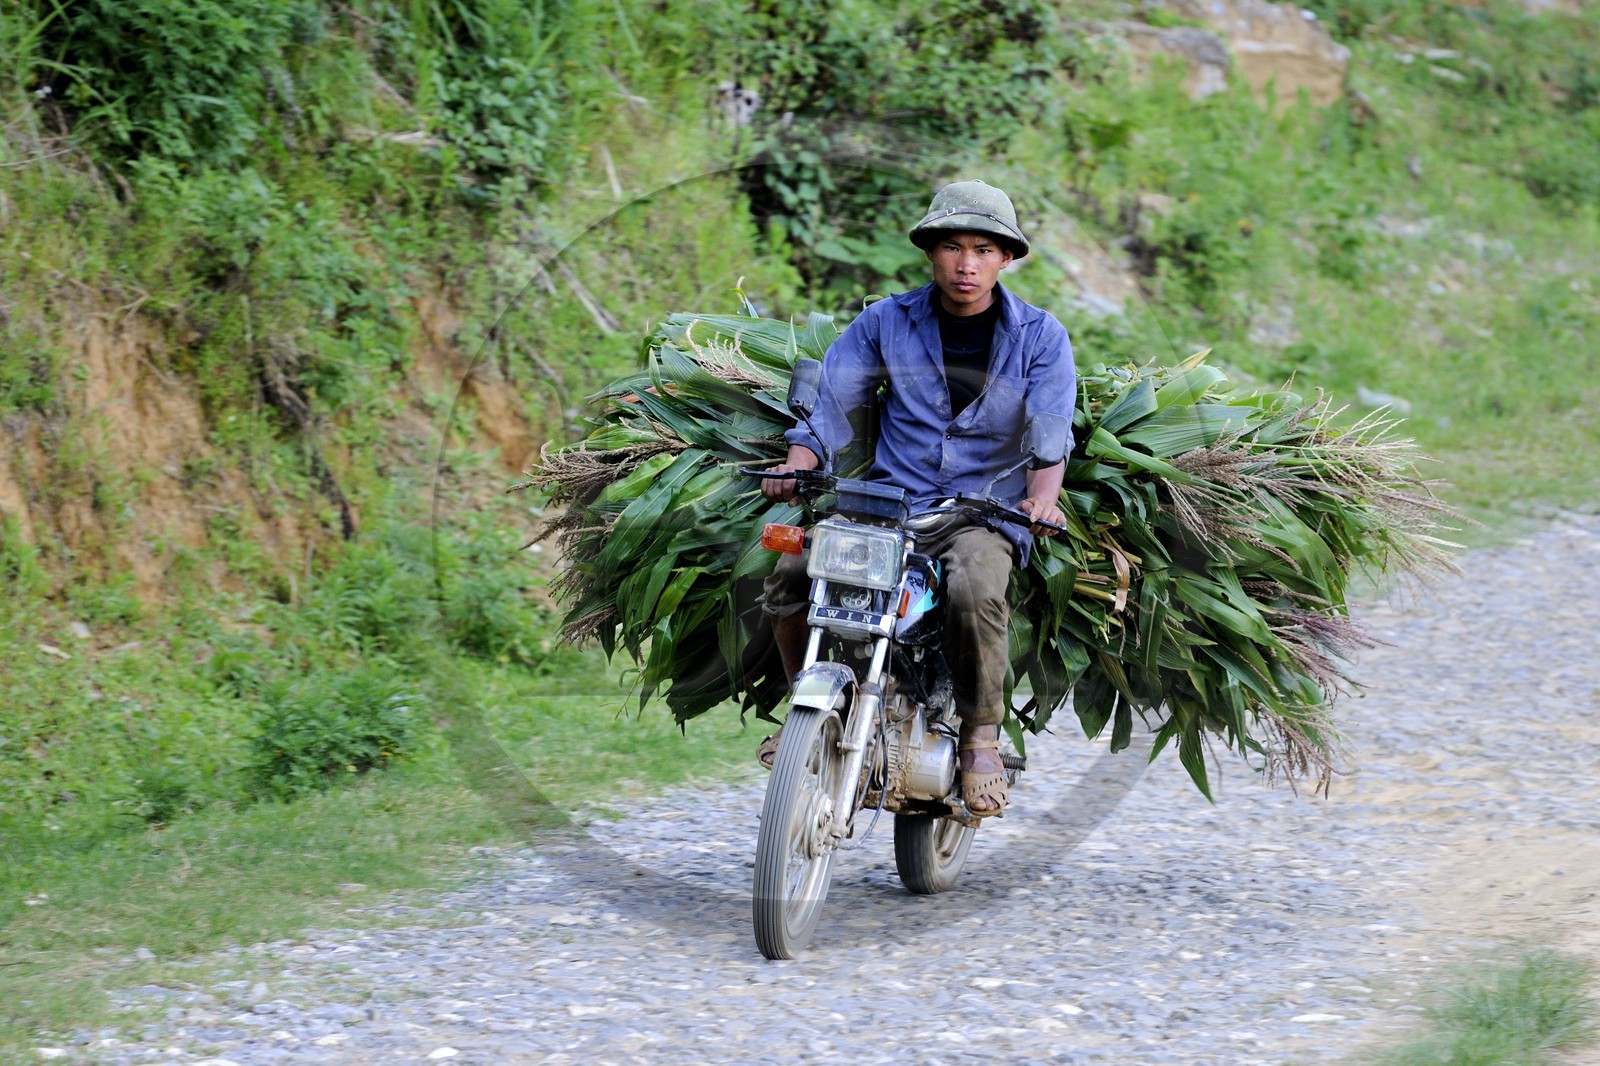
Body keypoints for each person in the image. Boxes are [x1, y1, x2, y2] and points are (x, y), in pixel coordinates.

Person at [758, 179, 1076, 817]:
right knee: (794, 571)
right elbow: (832, 404)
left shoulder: (1041, 338)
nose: (966, 264)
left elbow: (1051, 431)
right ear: (930, 251)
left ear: (1006, 258)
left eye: (983, 249)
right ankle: (805, 711)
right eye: (952, 247)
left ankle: (980, 740)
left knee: (975, 588)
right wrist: (797, 467)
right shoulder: (883, 322)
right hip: (888, 504)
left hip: (981, 514)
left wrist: (1042, 500)